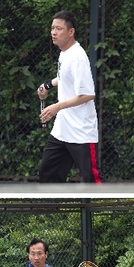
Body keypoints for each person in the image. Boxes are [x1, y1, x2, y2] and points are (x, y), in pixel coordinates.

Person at [37, 10, 103, 184]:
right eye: (52, 28)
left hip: (81, 132)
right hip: (62, 130)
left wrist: (57, 106)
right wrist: (48, 85)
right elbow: (65, 77)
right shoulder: (64, 52)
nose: (53, 32)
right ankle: (54, 202)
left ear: (71, 31)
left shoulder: (78, 57)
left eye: (58, 28)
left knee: (91, 179)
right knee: (48, 174)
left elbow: (88, 94)